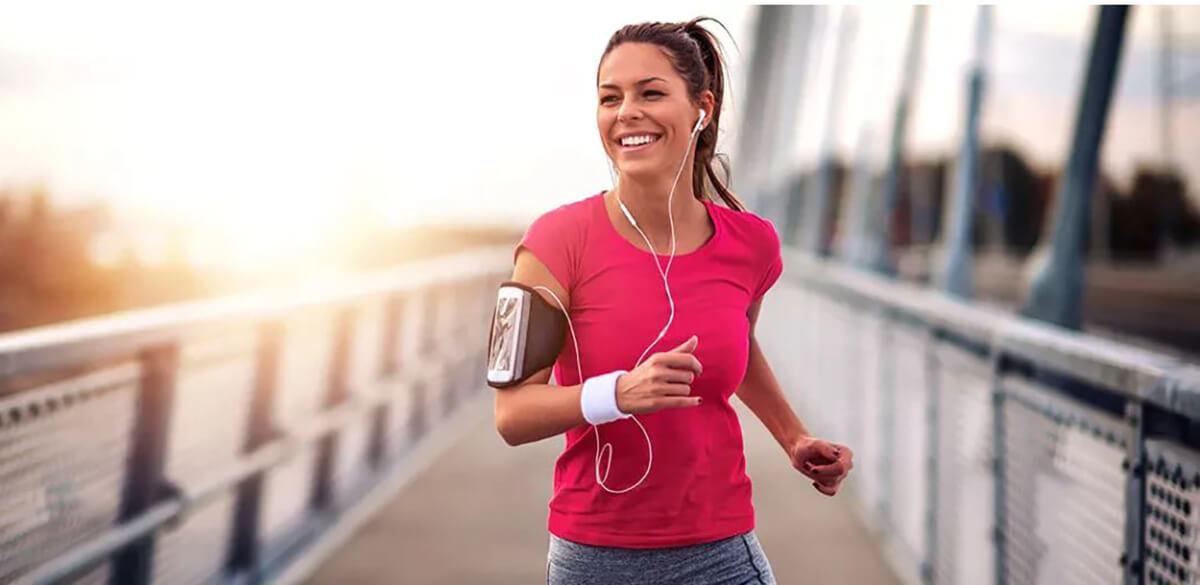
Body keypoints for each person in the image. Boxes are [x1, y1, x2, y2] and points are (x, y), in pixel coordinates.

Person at [493, 17, 854, 585]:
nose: (626, 112)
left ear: (701, 109)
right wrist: (619, 392)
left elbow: (741, 343)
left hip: (722, 553)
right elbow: (511, 415)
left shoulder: (752, 245)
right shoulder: (554, 242)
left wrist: (794, 436)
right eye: (610, 98)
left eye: (651, 93)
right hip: (594, 560)